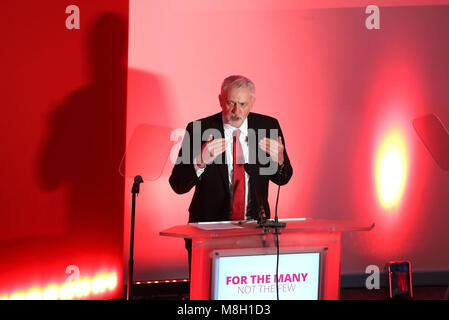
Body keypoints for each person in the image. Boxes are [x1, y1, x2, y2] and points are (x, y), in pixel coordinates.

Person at [169, 75, 293, 271]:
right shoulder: (198, 129)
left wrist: (280, 159)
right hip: (208, 231)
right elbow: (177, 184)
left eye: (243, 104)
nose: (237, 111)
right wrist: (200, 161)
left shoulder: (268, 127)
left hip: (255, 232)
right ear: (220, 100)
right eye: (231, 103)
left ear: (252, 102)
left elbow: (283, 178)